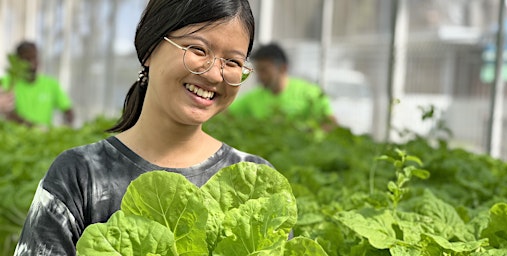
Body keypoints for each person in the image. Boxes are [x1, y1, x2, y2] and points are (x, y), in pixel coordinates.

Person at [14, 0, 270, 255]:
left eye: (233, 62)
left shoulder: (253, 182)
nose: (215, 74)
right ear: (149, 50)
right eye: (199, 49)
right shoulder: (79, 175)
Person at [228, 43, 336, 126]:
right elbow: (226, 113)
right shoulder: (254, 98)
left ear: (283, 68)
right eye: (258, 70)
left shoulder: (309, 93)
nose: (260, 76)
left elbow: (330, 123)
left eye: (264, 70)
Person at [0, 41, 74, 127]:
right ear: (17, 61)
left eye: (34, 58)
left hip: (44, 137)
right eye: (26, 60)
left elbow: (68, 110)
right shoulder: (7, 82)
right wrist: (34, 127)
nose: (32, 64)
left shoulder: (51, 84)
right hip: (15, 136)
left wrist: (66, 124)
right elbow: (8, 114)